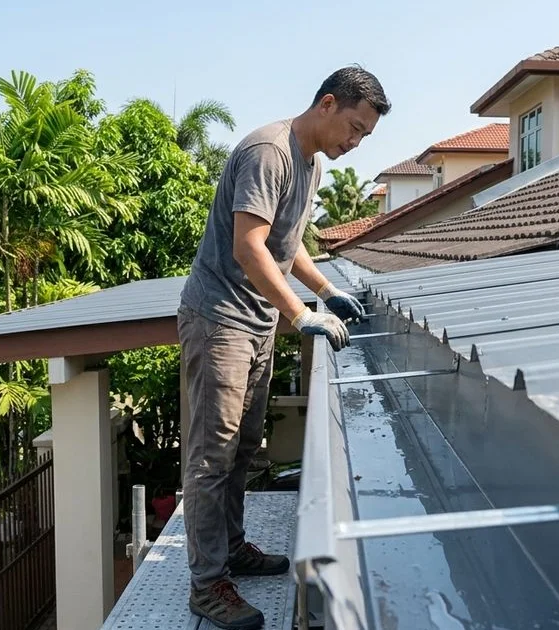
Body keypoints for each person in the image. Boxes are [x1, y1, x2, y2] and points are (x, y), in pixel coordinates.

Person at [177, 65, 390, 629]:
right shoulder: (268, 153)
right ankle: (207, 584)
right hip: (219, 318)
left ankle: (233, 550)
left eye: (364, 135)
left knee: (244, 447)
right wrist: (301, 314)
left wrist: (326, 290)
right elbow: (249, 247)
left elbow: (285, 244)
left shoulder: (311, 164)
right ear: (327, 104)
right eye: (355, 128)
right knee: (211, 456)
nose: (355, 142)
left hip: (256, 319)